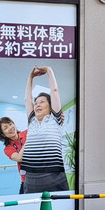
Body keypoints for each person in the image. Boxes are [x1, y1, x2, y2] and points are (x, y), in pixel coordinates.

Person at [20, 65, 69, 193]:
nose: (37, 105)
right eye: (36, 103)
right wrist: (30, 77)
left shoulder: (55, 119)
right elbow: (27, 99)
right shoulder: (32, 122)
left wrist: (48, 70)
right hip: (31, 178)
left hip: (54, 177)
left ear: (50, 106)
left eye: (42, 102)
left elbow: (54, 91)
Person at [0, 116, 27, 193]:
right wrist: (29, 141)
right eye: (5, 128)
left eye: (10, 124)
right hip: (26, 180)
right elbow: (19, 158)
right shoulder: (8, 149)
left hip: (42, 174)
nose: (10, 128)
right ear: (3, 134)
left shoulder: (27, 133)